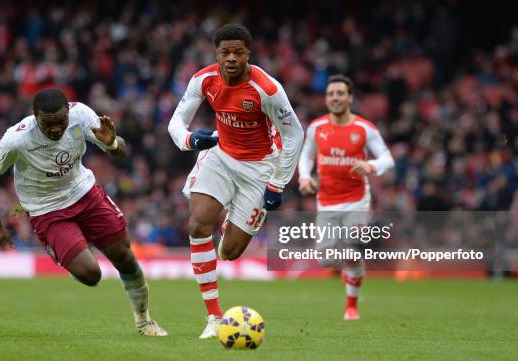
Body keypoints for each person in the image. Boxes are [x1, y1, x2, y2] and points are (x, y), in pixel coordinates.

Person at [0, 88, 167, 336]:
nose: (57, 129)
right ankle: (69, 257)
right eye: (48, 124)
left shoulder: (81, 115)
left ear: (68, 112)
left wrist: (112, 143)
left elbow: (121, 151)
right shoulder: (17, 139)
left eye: (61, 122)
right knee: (91, 275)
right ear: (35, 117)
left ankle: (144, 321)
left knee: (125, 256)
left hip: (85, 192)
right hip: (46, 209)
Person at [168, 24, 304, 338]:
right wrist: (189, 140)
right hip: (221, 154)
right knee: (198, 225)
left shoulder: (267, 89)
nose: (231, 58)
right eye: (225, 52)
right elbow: (177, 120)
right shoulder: (204, 80)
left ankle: (235, 217)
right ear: (216, 54)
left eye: (238, 52)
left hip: (259, 168)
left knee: (229, 252)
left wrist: (278, 183)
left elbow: (294, 133)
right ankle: (214, 317)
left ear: (248, 55)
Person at [298, 74, 395, 320]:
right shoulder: (316, 128)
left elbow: (387, 159)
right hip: (327, 202)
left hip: (357, 200)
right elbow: (307, 156)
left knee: (351, 244)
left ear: (350, 98)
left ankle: (351, 306)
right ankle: (352, 266)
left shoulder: (364, 129)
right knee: (326, 259)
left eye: (340, 93)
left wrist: (372, 166)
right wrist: (305, 177)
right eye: (331, 94)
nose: (335, 98)